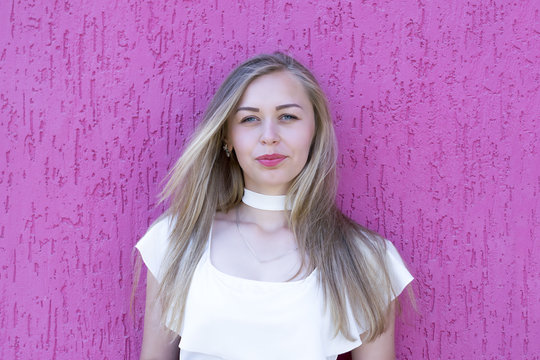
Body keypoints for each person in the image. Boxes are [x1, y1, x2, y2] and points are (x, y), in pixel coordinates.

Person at [134, 52, 414, 360]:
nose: (269, 137)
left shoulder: (365, 258)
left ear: (315, 130)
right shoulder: (175, 242)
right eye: (249, 119)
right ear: (227, 136)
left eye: (288, 117)